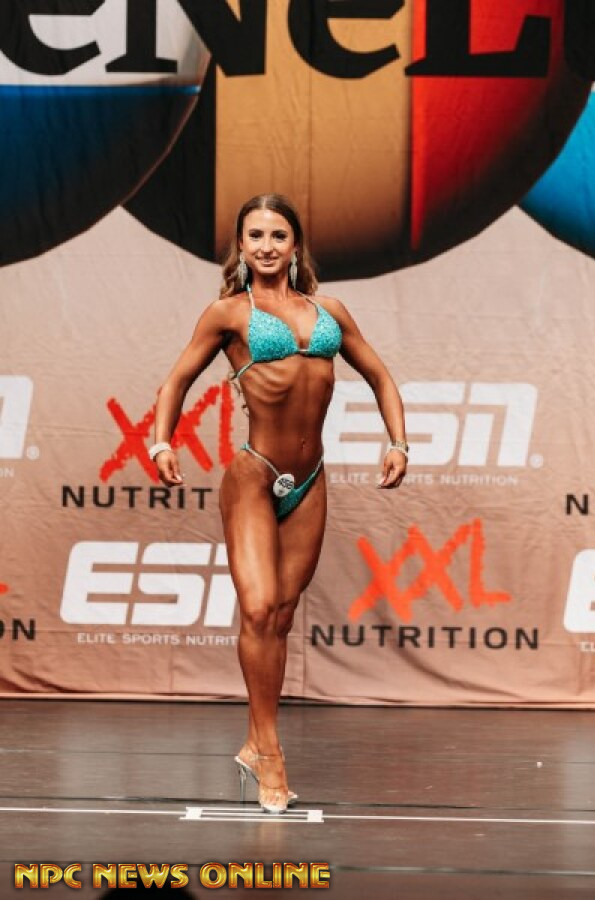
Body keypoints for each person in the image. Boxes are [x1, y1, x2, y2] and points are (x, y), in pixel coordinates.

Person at [150, 194, 408, 814]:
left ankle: (252, 740)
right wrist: (161, 440)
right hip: (255, 477)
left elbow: (380, 375)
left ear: (295, 245)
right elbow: (178, 378)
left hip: (310, 478)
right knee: (260, 608)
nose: (266, 246)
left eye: (278, 235)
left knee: (281, 616)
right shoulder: (228, 313)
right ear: (241, 246)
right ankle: (269, 751)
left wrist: (398, 442)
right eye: (256, 235)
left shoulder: (330, 311)